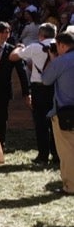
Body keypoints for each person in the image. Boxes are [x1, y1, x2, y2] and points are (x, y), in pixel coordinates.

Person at [10, 23, 59, 164]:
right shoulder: (61, 46)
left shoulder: (35, 46)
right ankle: (56, 154)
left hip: (39, 88)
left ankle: (43, 155)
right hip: (56, 87)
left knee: (41, 122)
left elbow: (13, 57)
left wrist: (20, 47)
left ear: (40, 34)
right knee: (55, 122)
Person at [41, 31, 74, 194]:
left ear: (61, 45)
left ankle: (70, 186)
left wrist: (53, 60)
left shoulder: (61, 61)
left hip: (65, 113)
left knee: (67, 151)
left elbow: (46, 80)